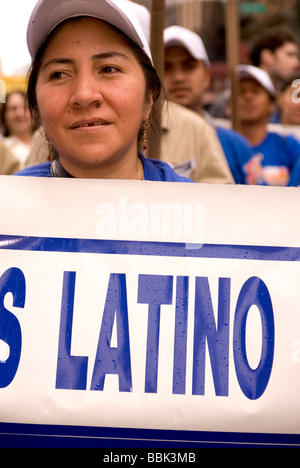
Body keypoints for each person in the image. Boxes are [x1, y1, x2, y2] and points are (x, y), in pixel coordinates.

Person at [25, 2, 234, 185]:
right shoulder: (10, 210)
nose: (84, 95)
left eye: (109, 69)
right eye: (59, 74)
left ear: (149, 97)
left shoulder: (194, 212)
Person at [163, 25, 252, 184]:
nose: (178, 77)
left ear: (207, 76)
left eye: (189, 66)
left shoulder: (236, 145)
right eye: (166, 68)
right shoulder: (140, 141)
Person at [236, 64, 300, 186]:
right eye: (240, 91)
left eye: (256, 91)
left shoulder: (289, 146)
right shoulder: (219, 145)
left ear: (272, 104)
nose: (248, 96)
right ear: (229, 105)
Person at [0, 91, 36, 169]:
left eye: (25, 107)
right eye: (13, 109)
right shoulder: (2, 148)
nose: (20, 113)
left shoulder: (46, 145)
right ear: (4, 115)